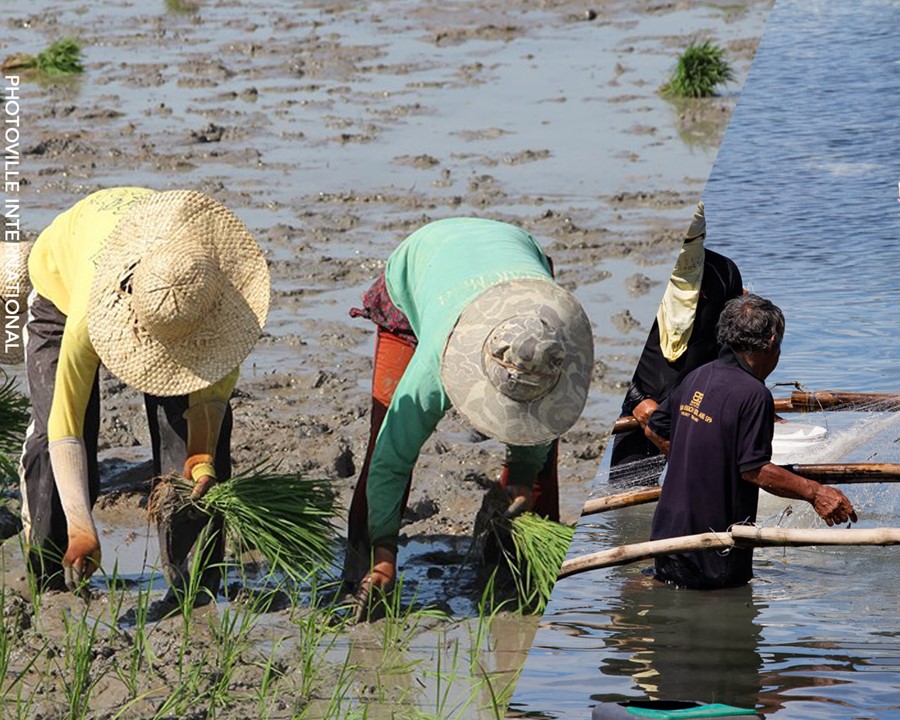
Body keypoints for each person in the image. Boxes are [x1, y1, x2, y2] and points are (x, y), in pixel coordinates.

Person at [21, 188, 270, 597]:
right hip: (61, 285)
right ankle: (53, 575)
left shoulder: (216, 302)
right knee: (51, 441)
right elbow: (66, 426)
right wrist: (83, 527)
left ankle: (195, 588)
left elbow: (209, 403)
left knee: (186, 454)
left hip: (165, 270)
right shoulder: (86, 316)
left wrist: (201, 458)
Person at [343, 217, 593, 614]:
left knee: (542, 435)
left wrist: (524, 479)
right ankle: (361, 568)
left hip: (518, 259)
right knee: (384, 437)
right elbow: (393, 459)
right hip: (421, 263)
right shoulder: (435, 365)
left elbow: (541, 422)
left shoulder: (550, 337)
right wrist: (386, 554)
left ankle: (525, 569)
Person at [645, 294, 854, 590]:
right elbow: (754, 469)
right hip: (714, 549)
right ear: (770, 342)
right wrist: (816, 492)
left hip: (665, 539)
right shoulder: (753, 394)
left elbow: (654, 429)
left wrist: (697, 461)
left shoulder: (697, 376)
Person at [609, 201, 744, 481]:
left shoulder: (723, 272)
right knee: (625, 499)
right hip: (640, 410)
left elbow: (732, 352)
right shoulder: (634, 279)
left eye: (687, 242)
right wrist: (636, 400)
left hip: (700, 410)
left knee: (700, 493)